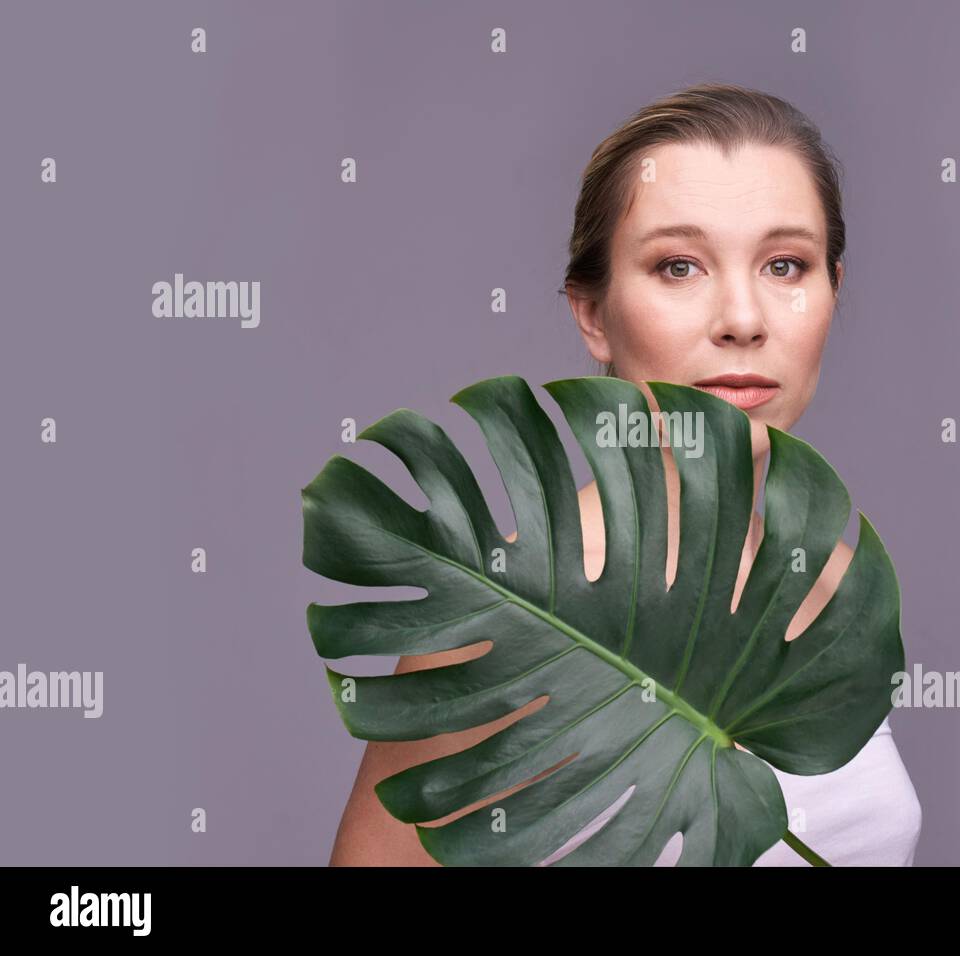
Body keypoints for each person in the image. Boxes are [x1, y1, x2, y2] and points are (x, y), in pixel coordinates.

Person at [328, 82, 921, 867]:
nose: (743, 319)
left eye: (785, 264)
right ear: (593, 313)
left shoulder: (837, 584)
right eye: (679, 266)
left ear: (832, 292)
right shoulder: (515, 607)